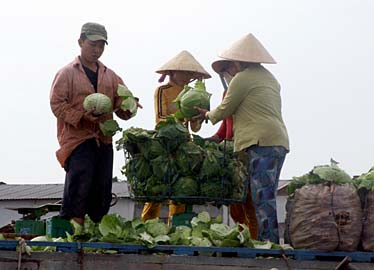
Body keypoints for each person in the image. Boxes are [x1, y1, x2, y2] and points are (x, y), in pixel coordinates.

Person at [195, 34, 289, 243]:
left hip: (261, 142)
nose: (228, 74)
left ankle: (269, 244)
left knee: (261, 198)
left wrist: (207, 115)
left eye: (228, 68)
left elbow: (225, 108)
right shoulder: (269, 78)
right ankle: (268, 242)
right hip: (278, 140)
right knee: (266, 195)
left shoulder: (243, 78)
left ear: (237, 62)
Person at [50, 22, 140, 227]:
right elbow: (56, 104)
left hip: (104, 139)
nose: (97, 50)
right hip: (77, 140)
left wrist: (130, 105)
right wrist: (81, 116)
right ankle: (76, 234)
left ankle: (95, 233)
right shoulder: (67, 73)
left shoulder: (111, 75)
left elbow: (121, 104)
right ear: (80, 42)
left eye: (101, 46)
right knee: (79, 187)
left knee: (101, 190)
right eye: (93, 45)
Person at [141, 50, 211, 223]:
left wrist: (197, 117)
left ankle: (176, 227)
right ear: (174, 71)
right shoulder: (162, 90)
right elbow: (160, 118)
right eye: (184, 72)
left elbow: (194, 128)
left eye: (190, 73)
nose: (188, 76)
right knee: (156, 189)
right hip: (162, 143)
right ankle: (146, 225)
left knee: (181, 190)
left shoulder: (192, 94)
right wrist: (183, 116)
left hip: (185, 146)